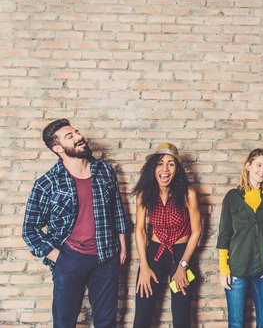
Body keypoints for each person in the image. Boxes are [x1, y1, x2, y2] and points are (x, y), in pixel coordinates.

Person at [22, 119, 128, 328]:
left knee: (106, 321)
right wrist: (59, 258)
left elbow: (117, 210)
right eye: (70, 136)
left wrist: (122, 245)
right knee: (64, 322)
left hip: (106, 256)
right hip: (69, 258)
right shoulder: (48, 183)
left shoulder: (104, 171)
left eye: (76, 132)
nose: (79, 137)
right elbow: (29, 230)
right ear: (58, 148)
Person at [132, 142, 202, 328]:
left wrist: (182, 266)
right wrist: (144, 266)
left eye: (171, 164)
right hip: (154, 254)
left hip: (181, 254)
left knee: (181, 319)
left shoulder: (188, 194)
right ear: (153, 168)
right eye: (160, 163)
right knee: (141, 319)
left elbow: (196, 232)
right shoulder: (144, 194)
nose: (165, 169)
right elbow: (139, 230)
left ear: (177, 169)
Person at [217, 149, 263, 328]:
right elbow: (224, 234)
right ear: (248, 165)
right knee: (236, 323)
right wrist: (223, 269)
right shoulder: (232, 197)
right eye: (259, 165)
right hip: (237, 269)